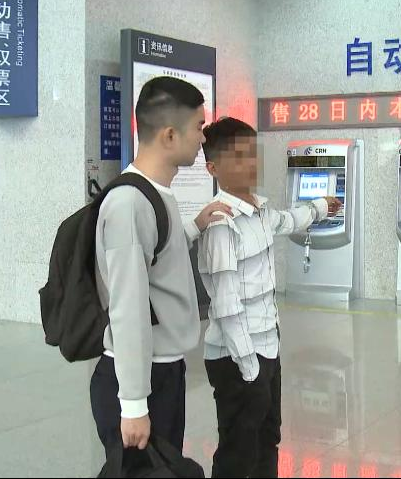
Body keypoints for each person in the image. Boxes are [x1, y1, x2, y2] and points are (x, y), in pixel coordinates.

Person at [90, 77, 231, 454]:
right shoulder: (129, 203)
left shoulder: (155, 194)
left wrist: (194, 226)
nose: (203, 138)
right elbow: (128, 309)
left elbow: (155, 257)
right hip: (141, 379)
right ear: (170, 135)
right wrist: (134, 404)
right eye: (199, 127)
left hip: (164, 369)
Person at [197, 117, 341, 478]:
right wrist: (250, 371)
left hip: (266, 347)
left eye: (252, 154)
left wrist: (321, 206)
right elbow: (227, 308)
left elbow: (289, 220)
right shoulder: (221, 224)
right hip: (236, 357)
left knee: (267, 437)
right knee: (238, 449)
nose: (250, 163)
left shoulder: (260, 211)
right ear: (213, 168)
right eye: (238, 157)